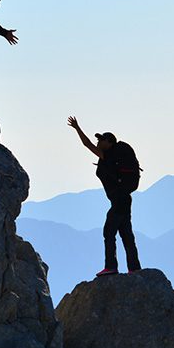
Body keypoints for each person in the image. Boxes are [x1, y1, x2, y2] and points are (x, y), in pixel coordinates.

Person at [68, 116, 142, 276]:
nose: (98, 143)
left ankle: (111, 267)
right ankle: (134, 268)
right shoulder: (115, 157)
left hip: (119, 201)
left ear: (109, 142)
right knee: (126, 235)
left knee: (109, 232)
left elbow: (86, 144)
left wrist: (77, 128)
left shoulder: (109, 155)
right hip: (125, 199)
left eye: (101, 140)